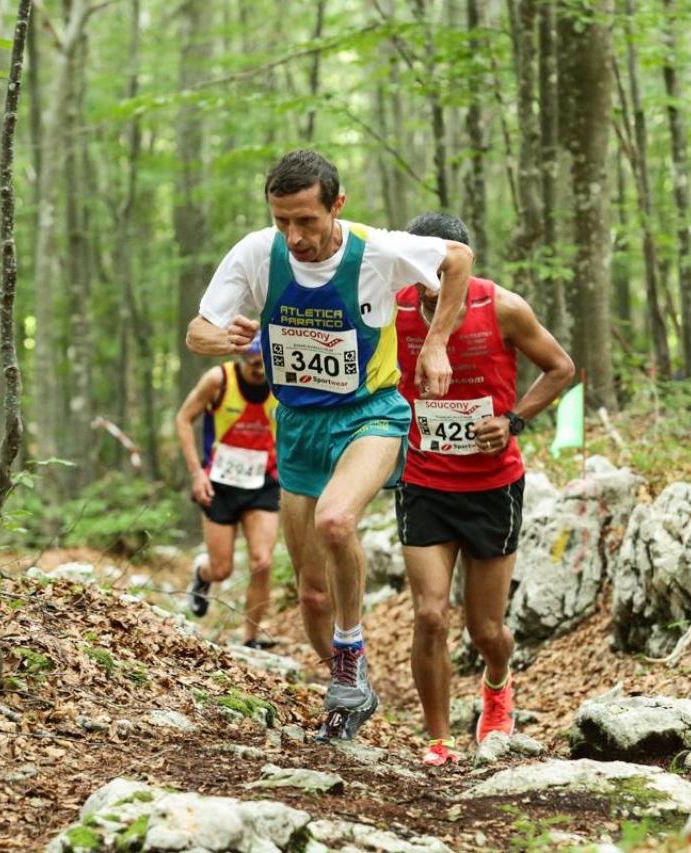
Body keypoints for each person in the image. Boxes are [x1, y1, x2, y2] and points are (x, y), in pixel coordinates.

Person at [186, 149, 474, 742]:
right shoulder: (256, 253)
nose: (294, 236)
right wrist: (219, 341)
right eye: (282, 220)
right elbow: (199, 329)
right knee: (312, 594)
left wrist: (438, 341)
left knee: (336, 521)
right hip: (297, 425)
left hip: (370, 413)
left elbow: (458, 258)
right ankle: (350, 684)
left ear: (337, 206)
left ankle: (347, 656)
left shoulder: (378, 251)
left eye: (307, 221)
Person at [394, 212, 574, 767]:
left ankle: (497, 684)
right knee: (428, 614)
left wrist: (513, 421)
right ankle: (438, 738)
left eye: (444, 267)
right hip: (423, 480)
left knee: (486, 629)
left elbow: (561, 368)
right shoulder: (392, 308)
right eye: (424, 266)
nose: (434, 278)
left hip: (491, 485)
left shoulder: (502, 307)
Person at [174, 339, 279, 649]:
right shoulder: (219, 380)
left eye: (264, 363)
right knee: (222, 570)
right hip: (219, 483)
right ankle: (202, 573)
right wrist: (196, 473)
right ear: (241, 357)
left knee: (262, 562)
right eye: (253, 363)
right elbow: (183, 418)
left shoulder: (282, 382)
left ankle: (250, 638)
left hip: (263, 481)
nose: (258, 370)